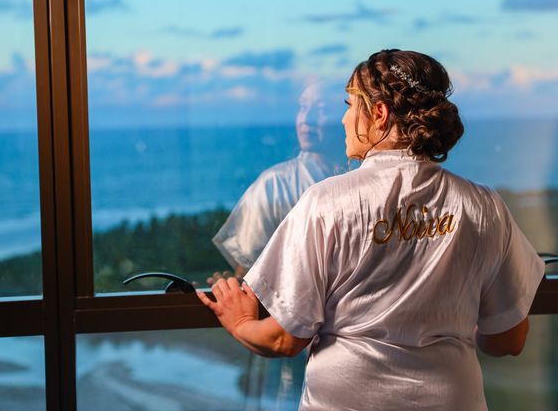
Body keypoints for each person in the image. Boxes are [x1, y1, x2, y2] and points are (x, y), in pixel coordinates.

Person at [197, 49, 546, 410]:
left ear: (378, 115)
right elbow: (508, 339)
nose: (345, 119)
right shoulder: (483, 205)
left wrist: (239, 321)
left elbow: (283, 339)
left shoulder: (326, 203)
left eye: (350, 105)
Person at [210, 80, 345, 410]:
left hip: (345, 350)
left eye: (322, 109)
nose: (307, 119)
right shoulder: (273, 186)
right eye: (302, 107)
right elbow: (248, 277)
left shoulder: (361, 184)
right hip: (287, 346)